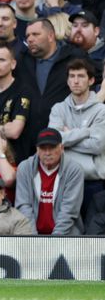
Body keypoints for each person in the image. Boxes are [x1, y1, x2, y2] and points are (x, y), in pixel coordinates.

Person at [49, 59, 105, 204]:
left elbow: (97, 145)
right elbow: (53, 141)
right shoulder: (58, 109)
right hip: (64, 180)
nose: (75, 81)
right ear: (67, 81)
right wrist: (85, 132)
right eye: (72, 76)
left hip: (93, 182)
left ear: (91, 80)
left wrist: (66, 139)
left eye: (80, 76)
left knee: (93, 226)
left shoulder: (101, 111)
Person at [15, 128, 85, 235]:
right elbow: (23, 206)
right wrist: (33, 240)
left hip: (65, 236)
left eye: (52, 148)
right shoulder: (25, 168)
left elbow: (69, 211)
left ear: (61, 148)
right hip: (31, 235)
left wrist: (54, 242)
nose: (47, 153)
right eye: (43, 148)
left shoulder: (74, 170)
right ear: (37, 150)